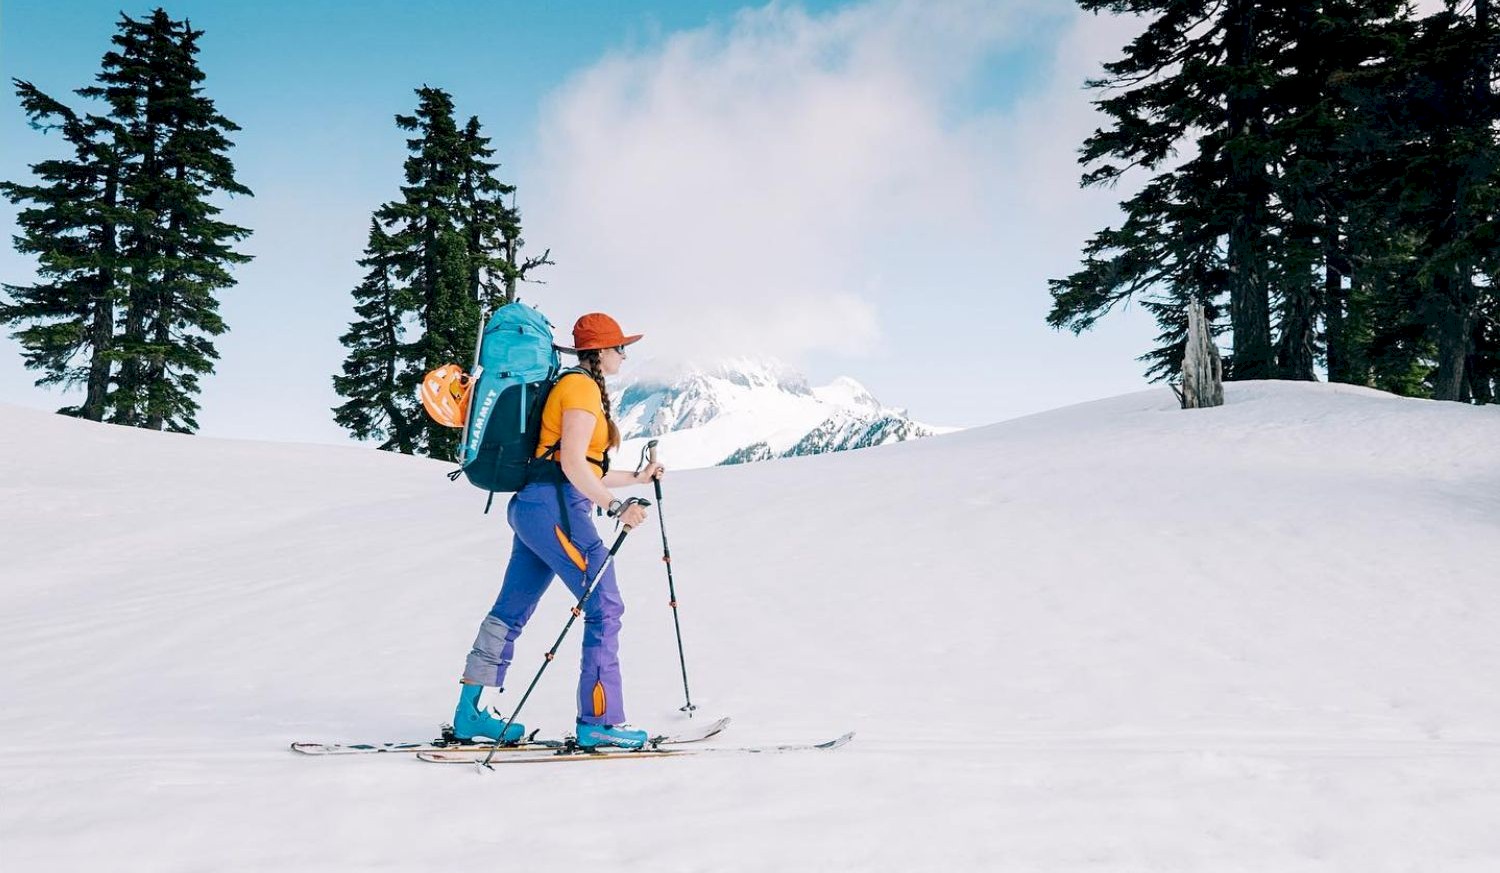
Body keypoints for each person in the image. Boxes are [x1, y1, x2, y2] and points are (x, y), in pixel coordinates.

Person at [451, 312, 664, 749]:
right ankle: (599, 722)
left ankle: (469, 712)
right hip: (556, 508)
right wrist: (615, 506)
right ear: (600, 351)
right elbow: (570, 467)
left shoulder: (574, 385)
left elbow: (577, 466)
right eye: (620, 347)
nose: (624, 355)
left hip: (536, 506)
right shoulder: (581, 388)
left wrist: (636, 478)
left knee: (511, 609)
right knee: (605, 604)